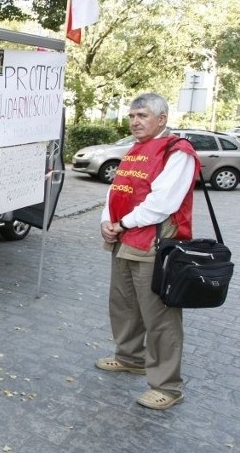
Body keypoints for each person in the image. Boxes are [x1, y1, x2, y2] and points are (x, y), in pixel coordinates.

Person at [97, 92, 199, 410]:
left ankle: (167, 386)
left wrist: (121, 223)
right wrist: (106, 220)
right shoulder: (135, 149)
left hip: (155, 242)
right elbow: (117, 189)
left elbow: (163, 203)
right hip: (124, 239)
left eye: (142, 115)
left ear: (162, 118)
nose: (135, 121)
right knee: (124, 304)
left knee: (160, 316)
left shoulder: (177, 152)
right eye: (132, 116)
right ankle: (130, 357)